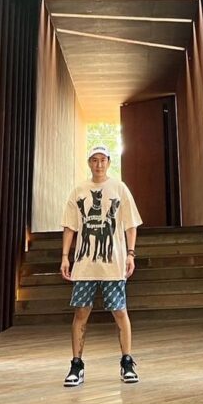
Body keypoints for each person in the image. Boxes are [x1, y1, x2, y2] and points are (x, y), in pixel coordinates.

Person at [60, 144, 143, 387]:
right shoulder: (79, 190)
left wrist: (130, 254)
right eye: (94, 160)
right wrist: (65, 256)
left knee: (120, 312)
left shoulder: (119, 188)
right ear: (89, 163)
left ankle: (127, 362)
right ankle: (76, 365)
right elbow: (70, 226)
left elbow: (131, 224)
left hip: (113, 263)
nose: (99, 164)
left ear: (108, 162)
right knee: (81, 313)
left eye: (103, 160)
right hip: (85, 264)